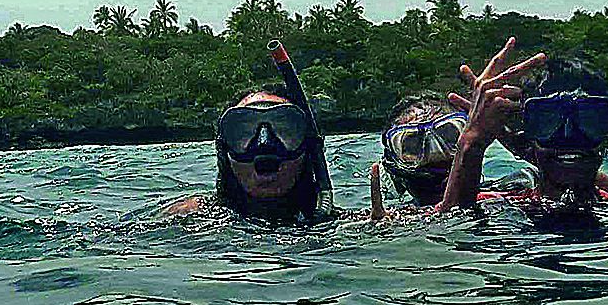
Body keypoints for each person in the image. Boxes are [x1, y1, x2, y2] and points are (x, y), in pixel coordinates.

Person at [439, 41, 608, 210]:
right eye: (548, 120)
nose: (568, 136)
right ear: (527, 134)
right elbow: (450, 228)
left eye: (588, 120)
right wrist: (471, 145)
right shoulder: (494, 203)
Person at [163, 86, 334, 224]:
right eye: (244, 132)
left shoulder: (348, 225)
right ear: (225, 151)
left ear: (309, 147)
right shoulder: (189, 216)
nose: (264, 145)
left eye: (284, 130)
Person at [370, 93, 466, 219]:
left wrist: (500, 130)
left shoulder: (498, 196)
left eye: (449, 136)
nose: (435, 156)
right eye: (413, 146)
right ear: (393, 171)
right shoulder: (396, 220)